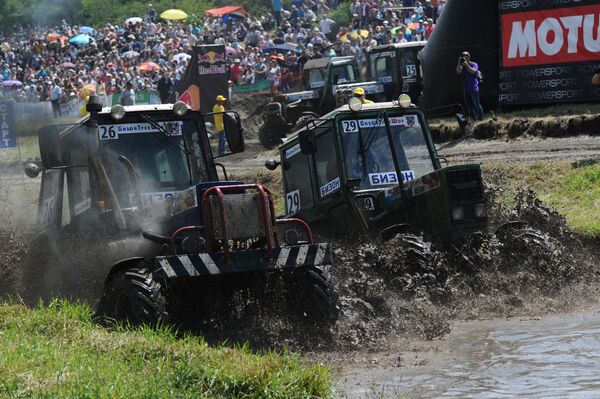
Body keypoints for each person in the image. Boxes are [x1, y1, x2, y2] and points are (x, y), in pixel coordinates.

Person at [455, 51, 483, 122]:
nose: (464, 57)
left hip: (474, 88)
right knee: (469, 107)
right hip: (466, 89)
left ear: (469, 57)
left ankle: (480, 119)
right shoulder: (462, 65)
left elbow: (473, 71)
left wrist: (467, 64)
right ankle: (474, 120)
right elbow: (458, 72)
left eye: (466, 55)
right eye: (463, 55)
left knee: (476, 104)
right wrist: (459, 63)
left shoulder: (474, 64)